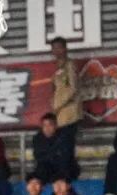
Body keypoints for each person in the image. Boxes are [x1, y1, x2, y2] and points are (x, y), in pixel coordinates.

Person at [50, 36, 81, 170]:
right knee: (62, 147)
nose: (57, 51)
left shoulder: (70, 65)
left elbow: (73, 89)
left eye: (59, 47)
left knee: (67, 148)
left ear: (65, 48)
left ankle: (69, 174)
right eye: (54, 48)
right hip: (60, 115)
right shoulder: (58, 67)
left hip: (69, 113)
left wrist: (58, 106)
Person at [33, 112, 79, 183]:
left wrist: (51, 155)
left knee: (65, 167)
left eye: (50, 125)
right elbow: (38, 157)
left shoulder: (64, 137)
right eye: (44, 125)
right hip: (48, 168)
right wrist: (54, 154)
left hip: (63, 168)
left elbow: (65, 156)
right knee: (41, 168)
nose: (47, 128)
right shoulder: (38, 138)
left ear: (56, 126)